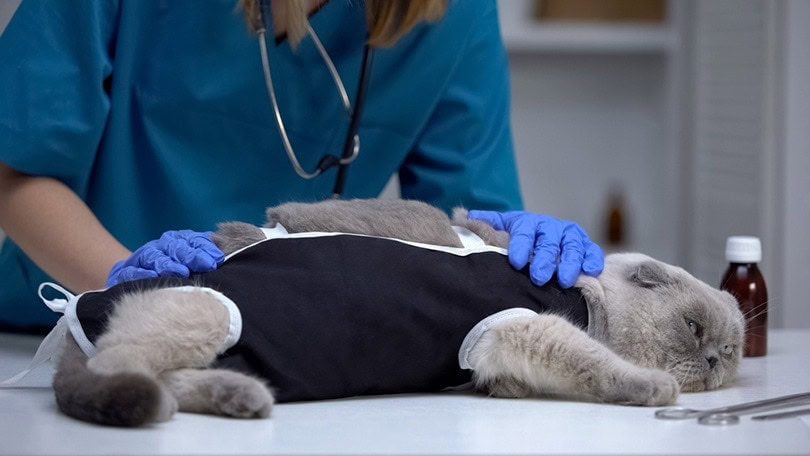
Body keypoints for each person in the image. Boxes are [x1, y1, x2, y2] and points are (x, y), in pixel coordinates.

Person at [0, 0, 603, 331]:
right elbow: (15, 168)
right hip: (61, 325)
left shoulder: (453, 14)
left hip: (281, 341)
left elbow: (468, 218)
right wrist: (127, 290)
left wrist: (507, 247)